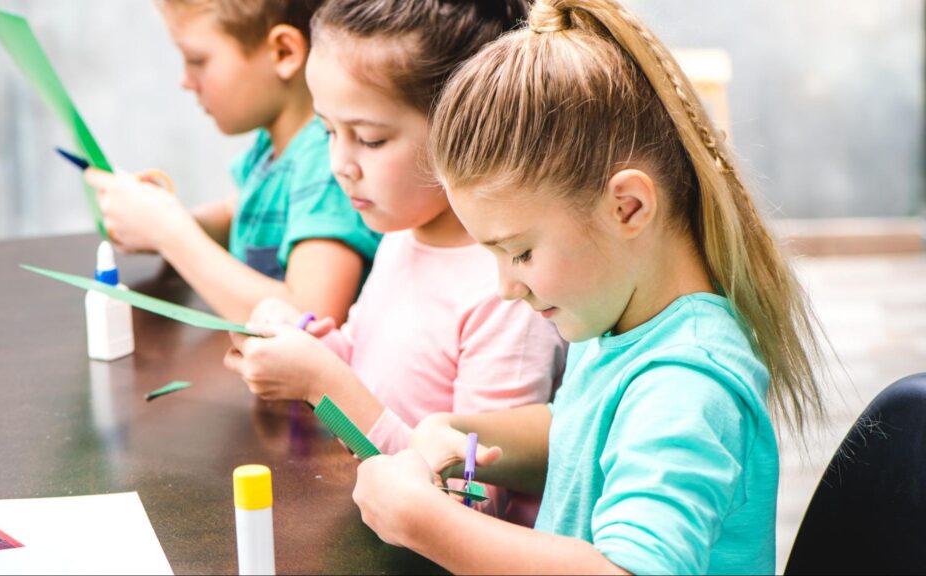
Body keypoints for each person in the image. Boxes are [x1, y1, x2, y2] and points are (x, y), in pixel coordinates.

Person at [349, 0, 827, 573]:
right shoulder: (616, 317)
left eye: (521, 252)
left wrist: (425, 524)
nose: (505, 288)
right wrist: (452, 429)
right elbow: (581, 434)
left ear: (628, 207)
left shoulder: (686, 383)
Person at [223, 0, 566, 522]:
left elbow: (474, 499)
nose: (340, 165)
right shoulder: (402, 235)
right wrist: (300, 341)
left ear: (466, 129)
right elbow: (373, 365)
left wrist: (322, 382)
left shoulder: (509, 292)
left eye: (370, 139)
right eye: (327, 132)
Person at [85, 0, 380, 325]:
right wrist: (154, 220)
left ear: (283, 52)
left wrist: (168, 231)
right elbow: (238, 214)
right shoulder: (274, 147)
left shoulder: (327, 162)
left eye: (197, 60)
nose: (185, 80)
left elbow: (308, 315)